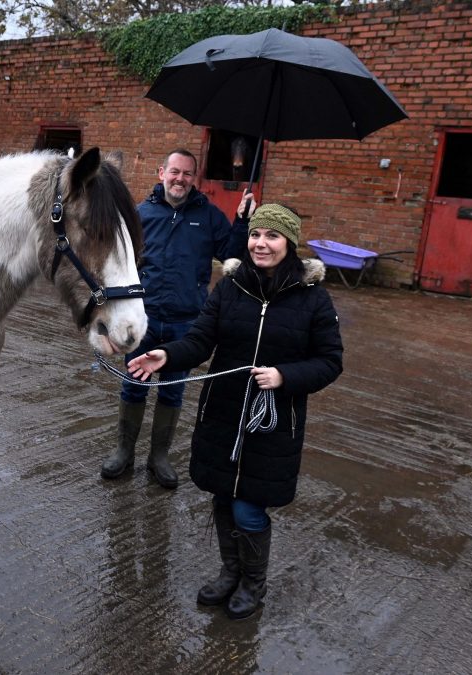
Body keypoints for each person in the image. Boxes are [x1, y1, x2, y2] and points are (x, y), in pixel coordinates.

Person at [126, 204, 343, 619]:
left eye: (272, 236)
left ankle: (252, 583)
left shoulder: (313, 298)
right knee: (224, 497)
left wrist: (285, 376)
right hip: (223, 409)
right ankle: (230, 573)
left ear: (290, 243)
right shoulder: (229, 288)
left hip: (272, 419)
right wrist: (165, 355)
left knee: (249, 505)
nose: (260, 243)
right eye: (256, 235)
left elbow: (330, 361)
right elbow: (200, 341)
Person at [101, 148, 256, 489]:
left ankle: (159, 457)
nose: (180, 179)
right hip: (144, 318)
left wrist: (243, 222)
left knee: (172, 392)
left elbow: (232, 255)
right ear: (161, 173)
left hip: (186, 324)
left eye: (187, 174)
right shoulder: (141, 214)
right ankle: (123, 451)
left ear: (194, 179)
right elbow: (120, 265)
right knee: (134, 385)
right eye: (174, 172)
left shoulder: (209, 216)